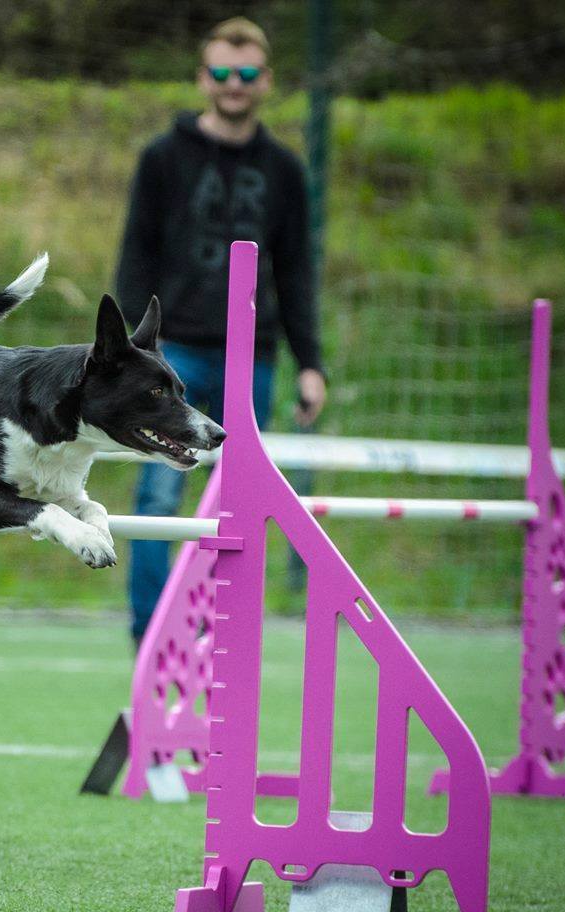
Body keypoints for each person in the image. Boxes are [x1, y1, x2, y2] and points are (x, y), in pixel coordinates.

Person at [116, 16, 326, 646]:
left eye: (248, 73)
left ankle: (217, 639)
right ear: (203, 78)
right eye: (223, 72)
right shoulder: (162, 157)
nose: (235, 83)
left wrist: (309, 363)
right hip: (170, 354)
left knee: (237, 509)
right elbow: (136, 255)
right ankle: (154, 640)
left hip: (250, 359)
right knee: (158, 500)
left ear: (267, 82)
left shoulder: (284, 171)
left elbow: (295, 271)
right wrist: (137, 348)